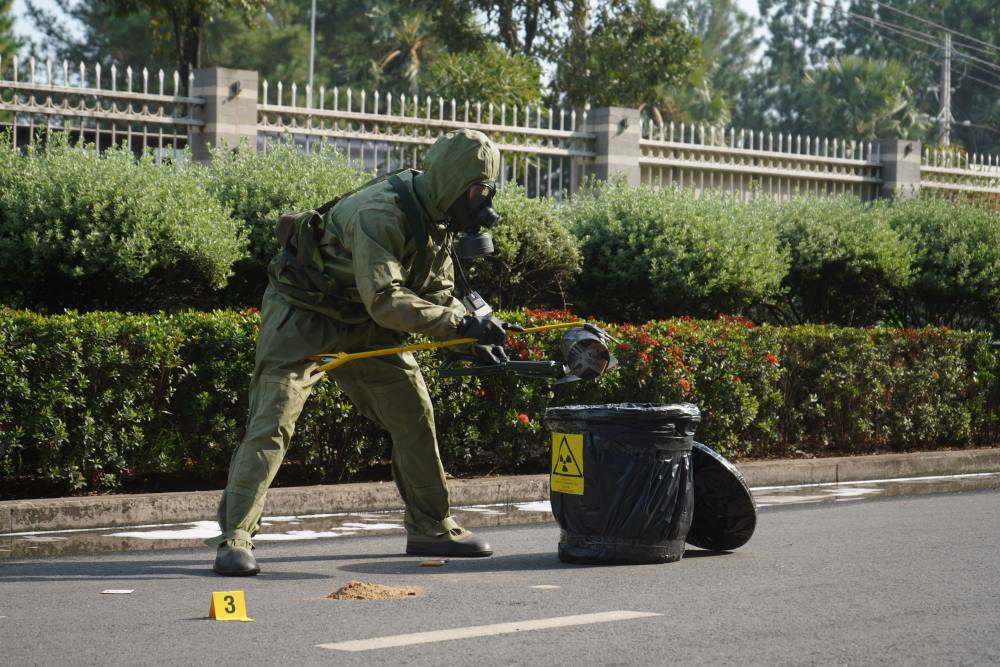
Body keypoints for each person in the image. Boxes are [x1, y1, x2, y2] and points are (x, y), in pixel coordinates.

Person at [210, 129, 521, 576]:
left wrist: (471, 335)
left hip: (366, 321)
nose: (480, 202)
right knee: (273, 420)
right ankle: (234, 537)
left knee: (414, 413)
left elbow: (435, 293)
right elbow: (388, 300)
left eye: (485, 191)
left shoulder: (437, 218)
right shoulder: (382, 212)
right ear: (452, 181)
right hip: (304, 314)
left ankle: (431, 525)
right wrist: (460, 324)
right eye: (476, 190)